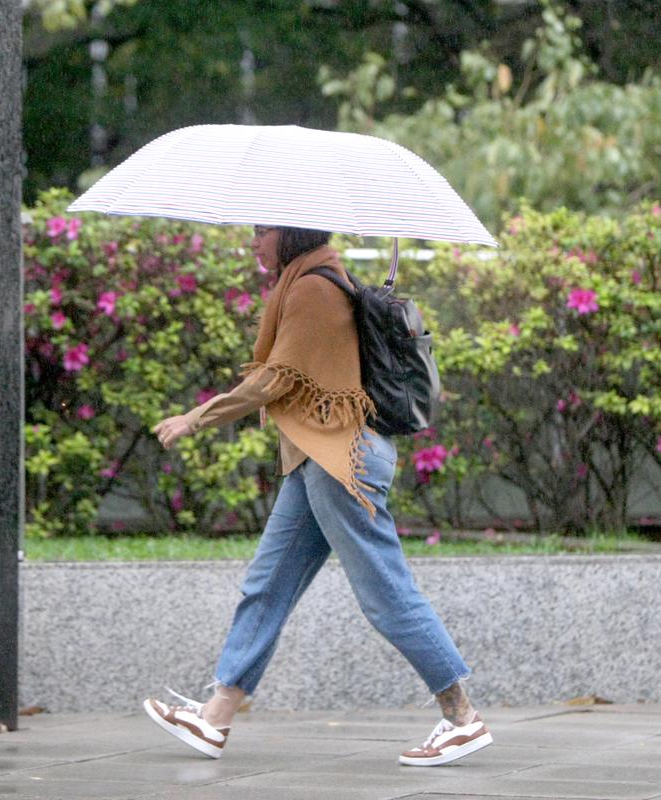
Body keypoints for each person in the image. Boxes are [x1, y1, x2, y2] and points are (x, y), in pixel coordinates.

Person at [145, 224, 491, 767]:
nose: (254, 244)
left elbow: (273, 381)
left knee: (386, 593)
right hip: (315, 455)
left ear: (292, 235)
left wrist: (196, 417)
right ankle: (216, 715)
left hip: (340, 458)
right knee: (268, 584)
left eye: (263, 233)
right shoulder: (309, 280)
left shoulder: (312, 289)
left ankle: (463, 718)